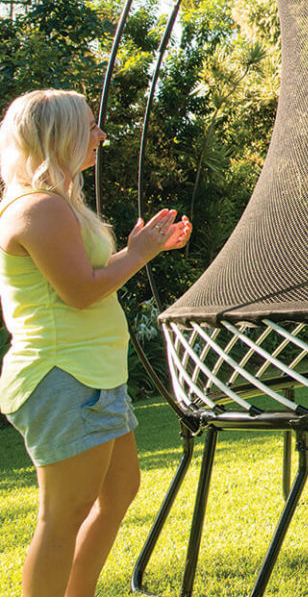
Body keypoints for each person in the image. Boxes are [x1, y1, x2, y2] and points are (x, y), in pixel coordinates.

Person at [0, 89, 192, 597]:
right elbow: (82, 292)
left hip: (93, 374)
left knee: (120, 489)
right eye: (90, 126)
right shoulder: (39, 208)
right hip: (63, 378)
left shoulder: (61, 204)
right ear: (58, 136)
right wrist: (139, 254)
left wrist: (142, 249)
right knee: (60, 520)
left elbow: (90, 277)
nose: (100, 135)